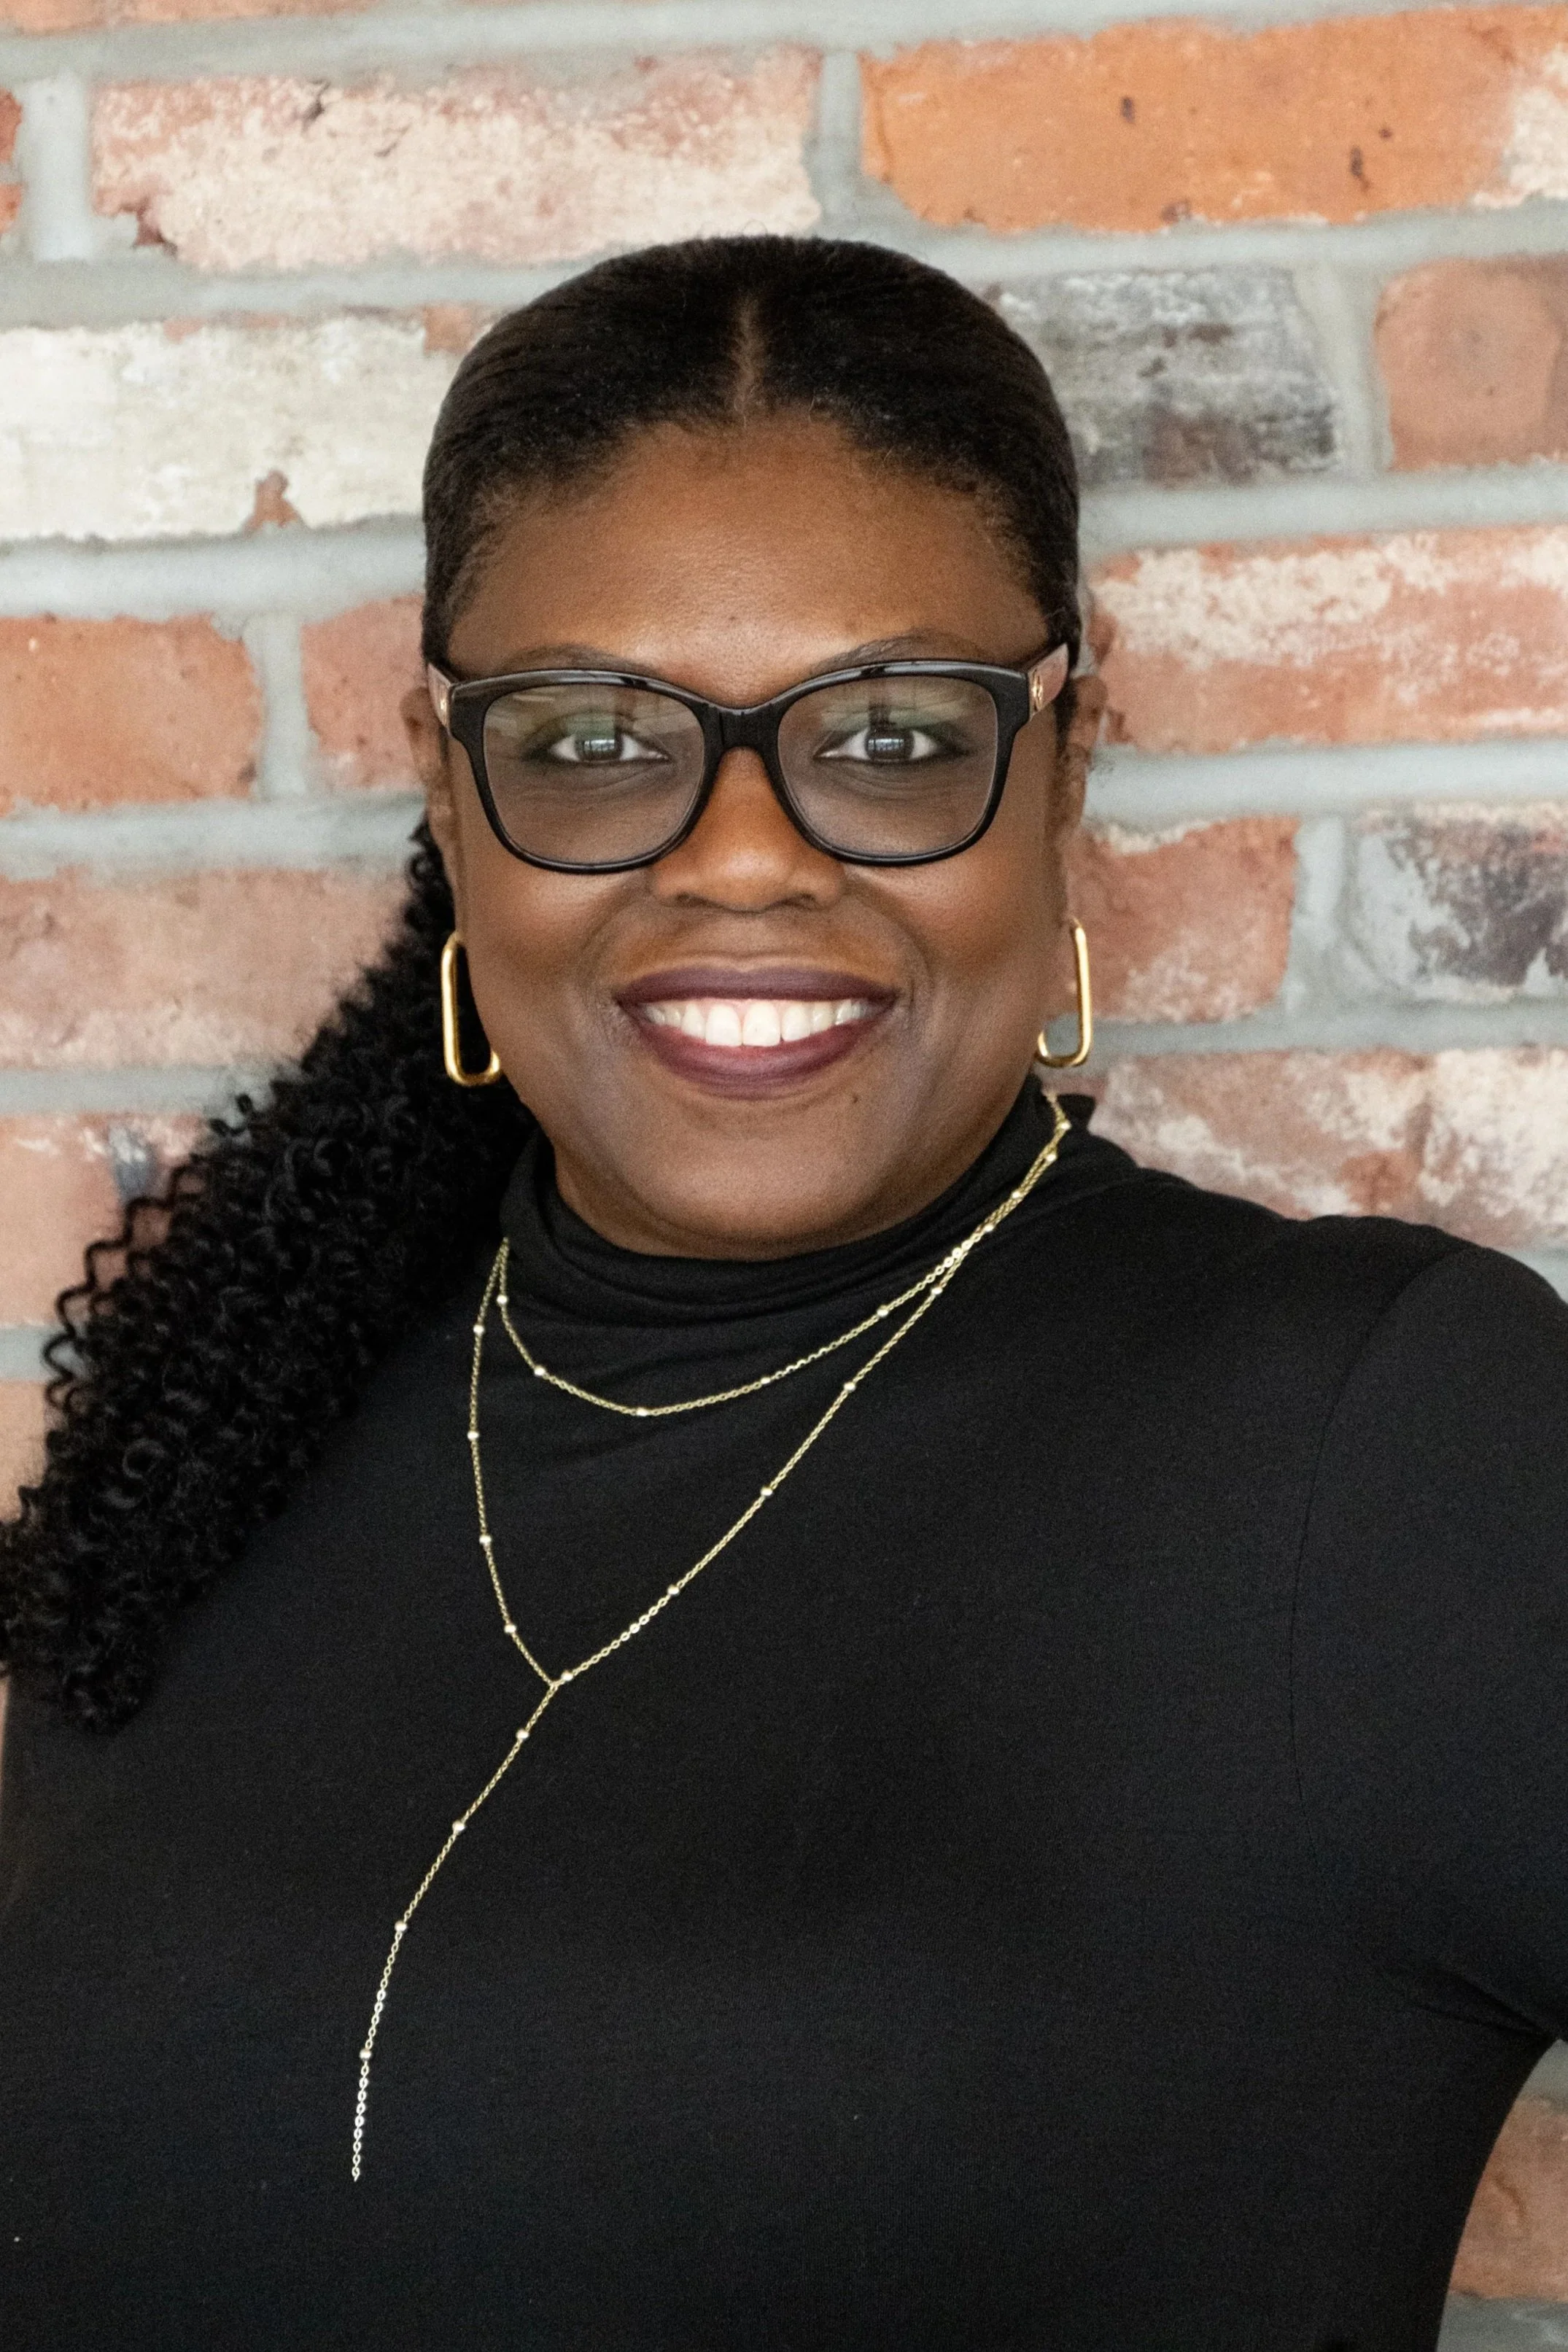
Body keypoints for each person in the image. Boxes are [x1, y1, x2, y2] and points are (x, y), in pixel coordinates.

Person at [1, 235, 1565, 2352]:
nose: (741, 857)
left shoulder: (1388, 1446)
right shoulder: (224, 1439)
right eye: (586, 742)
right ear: (448, 787)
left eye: (896, 734)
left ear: (1065, 756)